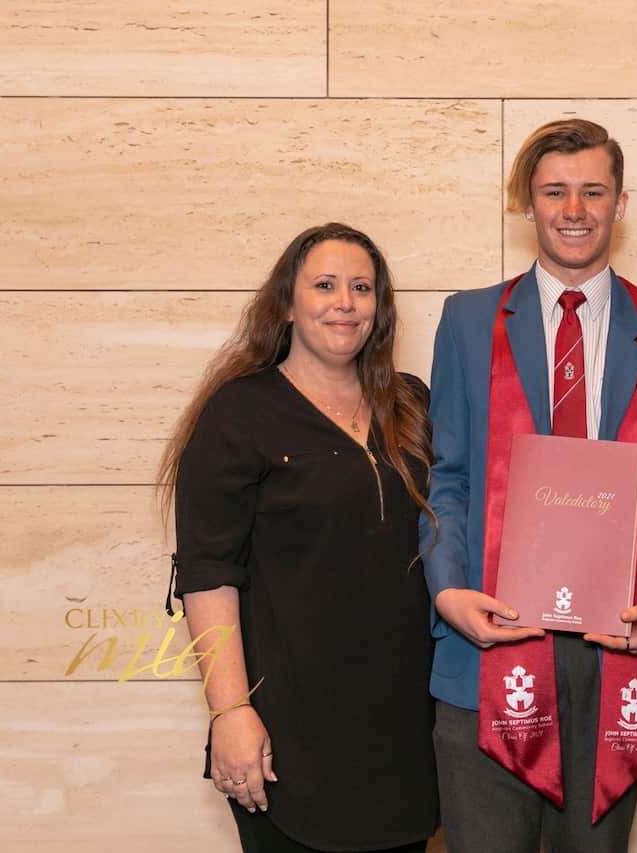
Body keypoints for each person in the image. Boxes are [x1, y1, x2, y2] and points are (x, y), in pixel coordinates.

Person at [421, 118, 637, 852]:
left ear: (621, 202)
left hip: (618, 646)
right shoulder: (467, 321)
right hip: (486, 641)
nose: (574, 209)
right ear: (529, 203)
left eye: (593, 191)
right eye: (555, 191)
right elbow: (448, 478)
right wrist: (447, 590)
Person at [158, 223, 438, 853]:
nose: (345, 301)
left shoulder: (411, 403)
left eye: (362, 287)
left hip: (405, 727)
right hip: (288, 728)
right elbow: (208, 572)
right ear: (287, 303)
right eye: (324, 285)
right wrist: (230, 713)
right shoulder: (239, 412)